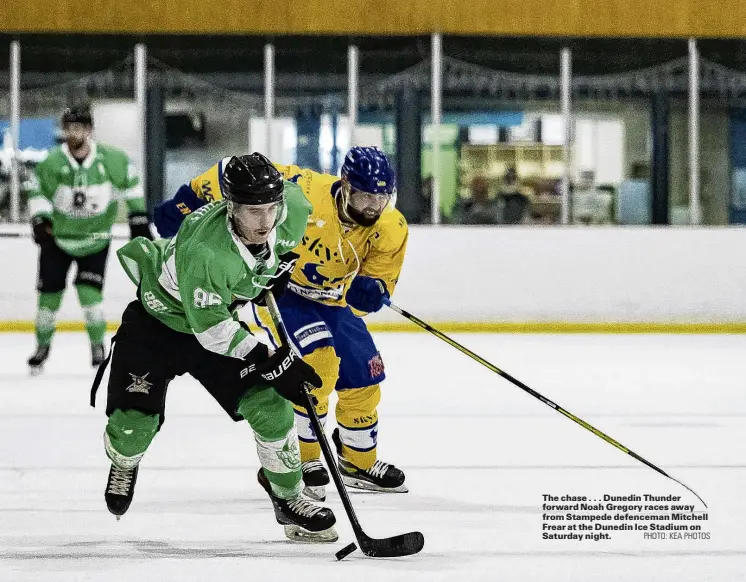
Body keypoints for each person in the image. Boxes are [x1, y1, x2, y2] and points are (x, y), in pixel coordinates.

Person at [93, 153, 337, 543]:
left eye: (270, 209)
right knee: (133, 426)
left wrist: (275, 267)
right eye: (252, 212)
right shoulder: (208, 252)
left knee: (270, 407)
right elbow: (213, 332)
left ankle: (288, 498)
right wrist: (271, 360)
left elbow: (296, 200)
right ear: (230, 206)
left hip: (212, 318)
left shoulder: (290, 207)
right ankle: (124, 461)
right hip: (159, 326)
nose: (264, 222)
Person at [153, 146, 409, 502]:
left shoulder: (392, 227)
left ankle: (358, 460)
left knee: (366, 373)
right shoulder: (306, 190)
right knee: (316, 367)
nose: (372, 206)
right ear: (345, 185)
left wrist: (374, 288)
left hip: (335, 304)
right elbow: (240, 168)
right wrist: (188, 199)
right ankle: (304, 460)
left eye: (381, 198)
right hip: (285, 295)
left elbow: (377, 281)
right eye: (365, 195)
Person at [26, 105, 153, 374]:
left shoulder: (112, 159)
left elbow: (131, 186)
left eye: (80, 127)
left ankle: (98, 347)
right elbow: (38, 191)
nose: (74, 133)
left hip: (95, 239)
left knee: (90, 299)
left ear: (90, 130)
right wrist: (40, 219)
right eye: (70, 127)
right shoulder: (51, 162)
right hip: (58, 240)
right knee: (48, 302)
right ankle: (42, 347)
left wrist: (138, 218)